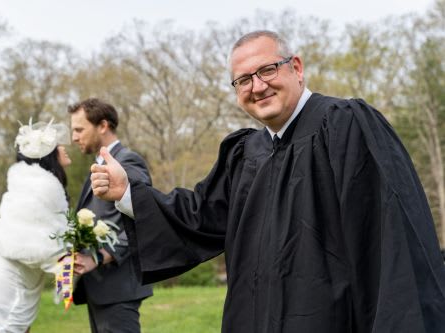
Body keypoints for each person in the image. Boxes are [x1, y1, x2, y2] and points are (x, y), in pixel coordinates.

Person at [88, 30, 445, 332]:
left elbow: (391, 239)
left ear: (297, 68)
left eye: (267, 70)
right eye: (244, 79)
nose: (257, 87)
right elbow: (199, 217)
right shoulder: (245, 154)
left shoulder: (345, 126)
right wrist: (129, 193)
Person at [0, 119, 72, 333]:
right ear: (50, 155)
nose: (64, 147)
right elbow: (40, 245)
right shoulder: (44, 188)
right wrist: (66, 269)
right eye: (58, 145)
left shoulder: (27, 185)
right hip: (8, 282)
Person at [68, 98, 153, 333]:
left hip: (118, 287)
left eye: (79, 129)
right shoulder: (98, 164)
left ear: (103, 126)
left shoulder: (127, 162)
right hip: (100, 288)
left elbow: (142, 217)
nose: (74, 137)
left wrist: (97, 256)